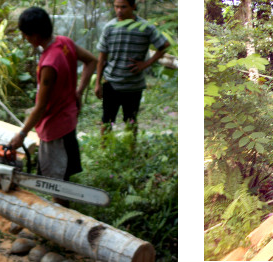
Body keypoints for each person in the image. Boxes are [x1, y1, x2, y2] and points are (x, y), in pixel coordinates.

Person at [9, 7, 97, 208]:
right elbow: (92, 60)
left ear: (35, 35)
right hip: (68, 119)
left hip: (54, 127)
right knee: (61, 176)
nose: (24, 38)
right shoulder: (64, 42)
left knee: (55, 183)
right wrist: (79, 91)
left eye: (25, 34)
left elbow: (40, 108)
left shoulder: (49, 63)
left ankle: (61, 221)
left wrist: (21, 134)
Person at [91, 0, 170, 135]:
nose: (119, 11)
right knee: (107, 121)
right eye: (116, 7)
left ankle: (131, 152)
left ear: (133, 7)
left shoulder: (145, 27)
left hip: (133, 85)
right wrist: (97, 83)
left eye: (123, 7)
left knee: (131, 121)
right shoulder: (110, 27)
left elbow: (165, 46)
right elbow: (102, 58)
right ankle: (106, 151)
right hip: (111, 83)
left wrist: (145, 64)